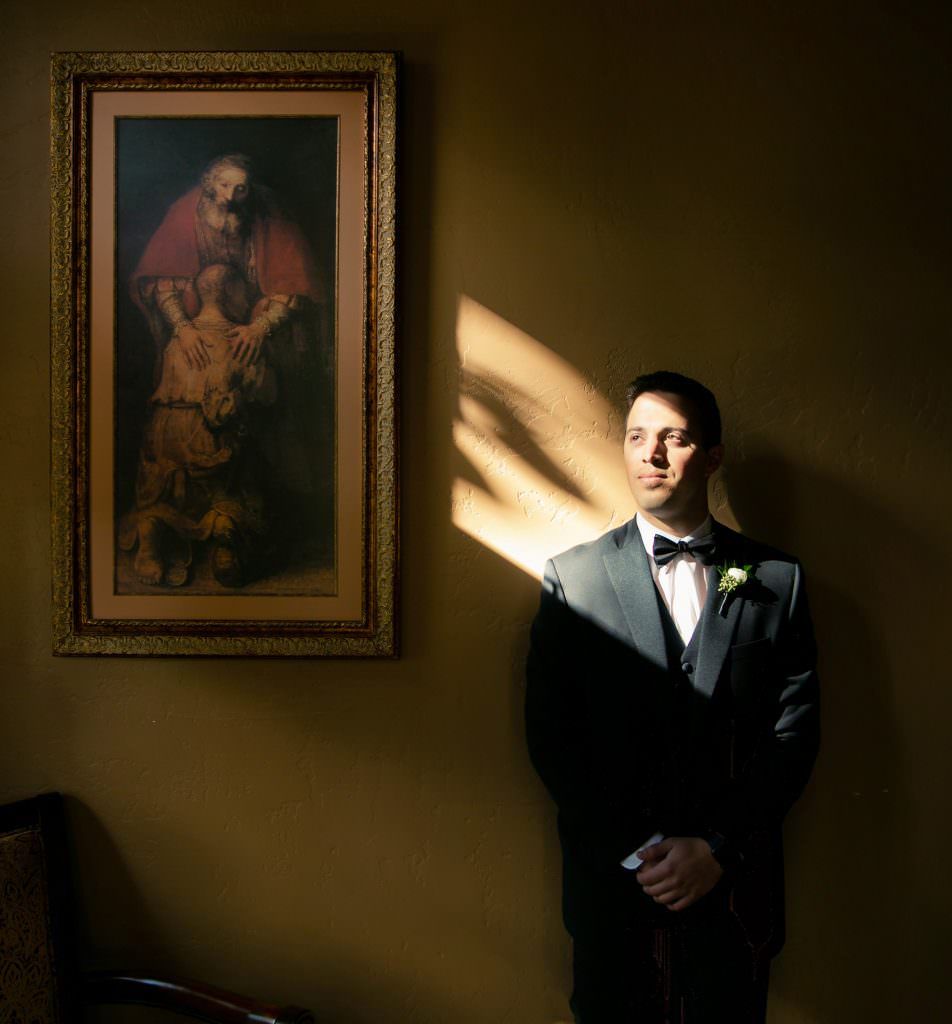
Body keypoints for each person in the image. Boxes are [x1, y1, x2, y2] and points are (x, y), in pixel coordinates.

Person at [525, 370, 820, 1023]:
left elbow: (792, 736)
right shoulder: (572, 579)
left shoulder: (778, 578)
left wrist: (717, 849)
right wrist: (643, 854)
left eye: (673, 437)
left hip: (734, 897)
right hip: (613, 895)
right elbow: (553, 738)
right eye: (636, 437)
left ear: (712, 457)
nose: (649, 454)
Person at [126, 152, 329, 583]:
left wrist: (259, 329)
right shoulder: (184, 215)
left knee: (254, 412)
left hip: (252, 327)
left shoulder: (268, 217)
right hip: (195, 332)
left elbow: (294, 284)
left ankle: (227, 536)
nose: (232, 198)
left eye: (241, 189)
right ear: (207, 185)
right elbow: (163, 278)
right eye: (224, 188)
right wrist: (181, 328)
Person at [119, 263, 276, 587]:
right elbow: (267, 396)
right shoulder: (241, 341)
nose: (246, 298)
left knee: (163, 495)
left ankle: (151, 535)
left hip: (165, 437)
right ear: (230, 292)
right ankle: (225, 540)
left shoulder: (178, 340)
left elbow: (159, 386)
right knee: (238, 485)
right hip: (209, 440)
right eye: (243, 291)